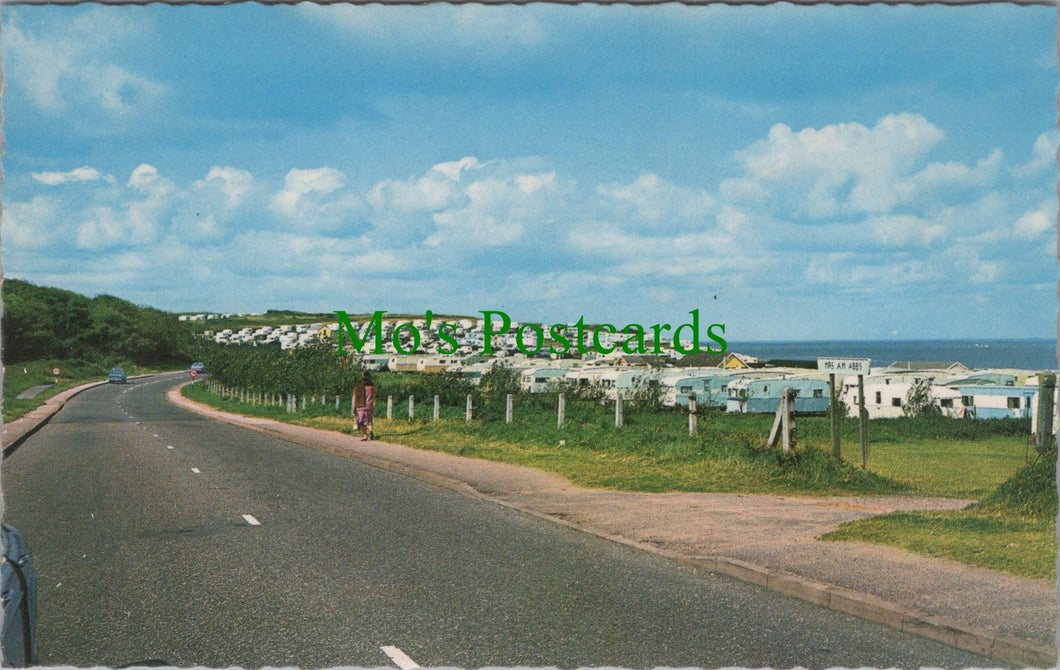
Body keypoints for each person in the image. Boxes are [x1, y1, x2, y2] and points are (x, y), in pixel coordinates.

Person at [352, 372, 375, 441]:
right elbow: (373, 397)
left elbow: (355, 398)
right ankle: (371, 431)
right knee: (369, 421)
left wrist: (353, 408)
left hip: (360, 407)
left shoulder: (358, 387)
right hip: (369, 406)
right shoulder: (372, 387)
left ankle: (365, 436)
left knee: (362, 423)